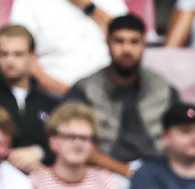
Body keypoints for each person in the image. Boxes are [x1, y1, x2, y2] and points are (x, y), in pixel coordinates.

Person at [64, 15, 173, 178]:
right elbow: (72, 144)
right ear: (107, 43)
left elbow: (180, 138)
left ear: (144, 44)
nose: (127, 49)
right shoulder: (84, 89)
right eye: (119, 41)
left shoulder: (162, 87)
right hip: (103, 173)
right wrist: (128, 172)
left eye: (134, 42)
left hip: (159, 170)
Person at [0, 26, 61, 174]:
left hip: (45, 182)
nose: (10, 61)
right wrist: (7, 157)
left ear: (33, 57)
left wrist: (40, 152)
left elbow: (68, 146)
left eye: (18, 54)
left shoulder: (51, 103)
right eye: (4, 54)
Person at [9, 0, 126, 94]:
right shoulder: (28, 1)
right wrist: (71, 93)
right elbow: (25, 62)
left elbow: (126, 40)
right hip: (55, 97)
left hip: (111, 93)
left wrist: (88, 5)